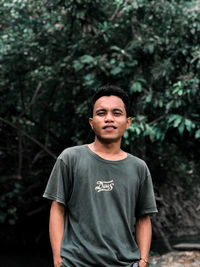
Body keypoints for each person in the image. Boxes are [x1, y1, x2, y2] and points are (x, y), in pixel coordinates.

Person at [43, 85, 158, 267]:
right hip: (76, 263)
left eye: (116, 113)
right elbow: (57, 209)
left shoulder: (138, 168)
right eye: (102, 113)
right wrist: (58, 260)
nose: (109, 119)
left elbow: (144, 217)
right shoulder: (70, 159)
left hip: (125, 263)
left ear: (128, 122)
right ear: (91, 122)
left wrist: (143, 261)